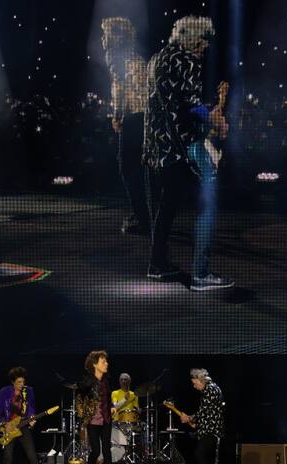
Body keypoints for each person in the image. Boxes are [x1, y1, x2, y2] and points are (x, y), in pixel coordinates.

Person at [143, 16, 234, 291]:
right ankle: (201, 274)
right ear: (193, 38)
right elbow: (190, 105)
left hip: (158, 149)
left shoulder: (157, 59)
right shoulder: (186, 60)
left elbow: (168, 104)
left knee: (167, 206)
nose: (205, 48)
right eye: (204, 41)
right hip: (184, 146)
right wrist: (215, 119)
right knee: (208, 202)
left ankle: (157, 264)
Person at [101, 18, 151, 236]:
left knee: (127, 168)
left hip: (133, 118)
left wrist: (116, 116)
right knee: (139, 169)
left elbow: (119, 89)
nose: (103, 39)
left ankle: (143, 219)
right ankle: (144, 215)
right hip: (145, 118)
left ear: (116, 37)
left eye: (105, 35)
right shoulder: (136, 58)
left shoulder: (117, 58)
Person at [0, 366, 44, 464]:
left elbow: (31, 408)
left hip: (23, 425)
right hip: (9, 427)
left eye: (23, 381)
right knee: (8, 457)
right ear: (13, 382)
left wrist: (32, 418)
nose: (22, 384)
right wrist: (2, 424)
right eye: (19, 382)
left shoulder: (29, 391)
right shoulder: (4, 392)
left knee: (32, 456)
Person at [179, 368, 224, 464]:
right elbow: (206, 411)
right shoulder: (211, 388)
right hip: (208, 429)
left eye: (195, 383)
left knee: (200, 454)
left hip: (211, 430)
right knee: (202, 455)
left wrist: (189, 418)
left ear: (200, 380)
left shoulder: (210, 389)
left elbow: (204, 411)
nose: (194, 387)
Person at [78, 351, 114, 464]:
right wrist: (83, 415)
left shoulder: (106, 381)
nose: (106, 364)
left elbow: (108, 399)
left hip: (106, 420)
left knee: (107, 451)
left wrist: (112, 407)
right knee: (96, 451)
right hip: (92, 421)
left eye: (106, 361)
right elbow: (79, 400)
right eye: (103, 361)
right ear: (94, 364)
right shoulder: (86, 382)